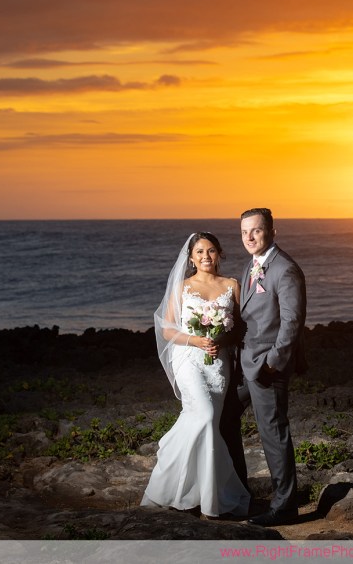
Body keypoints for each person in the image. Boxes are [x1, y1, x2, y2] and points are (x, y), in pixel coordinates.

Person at [141, 232, 251, 518]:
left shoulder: (232, 285)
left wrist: (220, 341)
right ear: (190, 258)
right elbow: (167, 329)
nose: (206, 256)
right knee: (203, 414)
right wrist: (195, 341)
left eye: (211, 250)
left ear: (219, 253)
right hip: (188, 358)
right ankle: (197, 494)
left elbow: (240, 327)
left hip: (218, 362)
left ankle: (197, 496)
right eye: (200, 251)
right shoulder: (182, 287)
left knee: (207, 424)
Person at [230, 208, 307, 527]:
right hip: (246, 364)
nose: (249, 237)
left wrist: (273, 363)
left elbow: (292, 322)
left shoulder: (285, 269)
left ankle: (285, 507)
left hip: (267, 367)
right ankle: (237, 493)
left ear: (272, 232)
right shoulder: (251, 264)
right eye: (244, 231)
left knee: (273, 433)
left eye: (256, 230)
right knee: (224, 417)